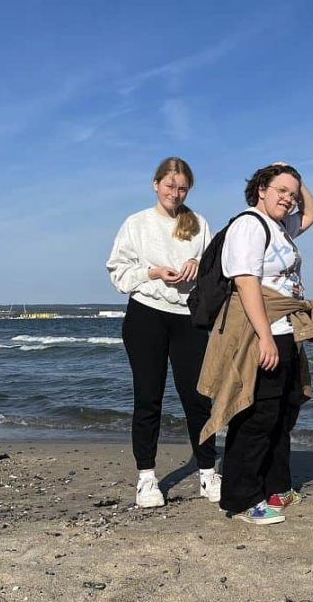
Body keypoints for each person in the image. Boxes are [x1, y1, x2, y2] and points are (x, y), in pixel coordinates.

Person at [197, 162, 313, 525]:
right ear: (261, 189)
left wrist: (294, 177)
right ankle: (241, 498)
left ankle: (275, 487)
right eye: (281, 190)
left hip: (286, 330)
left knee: (281, 413)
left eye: (292, 194)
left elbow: (312, 212)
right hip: (260, 331)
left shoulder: (280, 226)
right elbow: (246, 282)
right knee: (255, 414)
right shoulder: (250, 225)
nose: (289, 199)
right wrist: (265, 336)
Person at [106, 156, 219, 509]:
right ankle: (146, 478)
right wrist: (153, 273)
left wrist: (198, 264)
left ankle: (208, 473)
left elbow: (217, 269)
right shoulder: (136, 223)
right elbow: (118, 273)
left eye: (183, 188)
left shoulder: (199, 223)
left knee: (198, 398)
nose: (175, 193)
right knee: (148, 397)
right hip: (146, 315)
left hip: (188, 317)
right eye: (170, 186)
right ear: (156, 184)